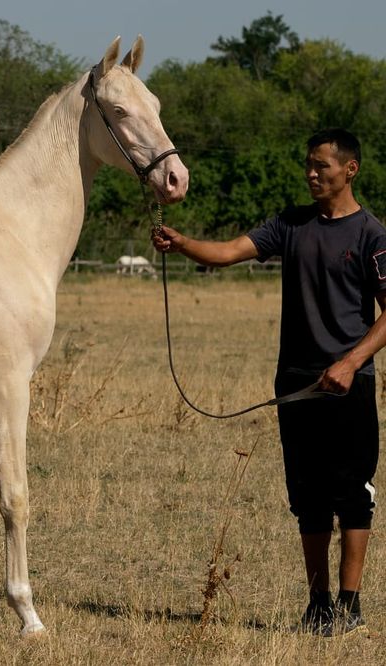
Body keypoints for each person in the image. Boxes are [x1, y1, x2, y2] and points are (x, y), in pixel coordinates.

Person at [152, 128, 386, 637]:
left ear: (350, 170)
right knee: (307, 496)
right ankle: (318, 603)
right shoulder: (290, 224)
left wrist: (349, 363)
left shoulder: (373, 235)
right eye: (308, 164)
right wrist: (183, 242)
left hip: (349, 384)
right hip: (296, 383)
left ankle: (351, 602)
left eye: (322, 165)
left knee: (353, 495)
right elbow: (228, 252)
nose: (312, 173)